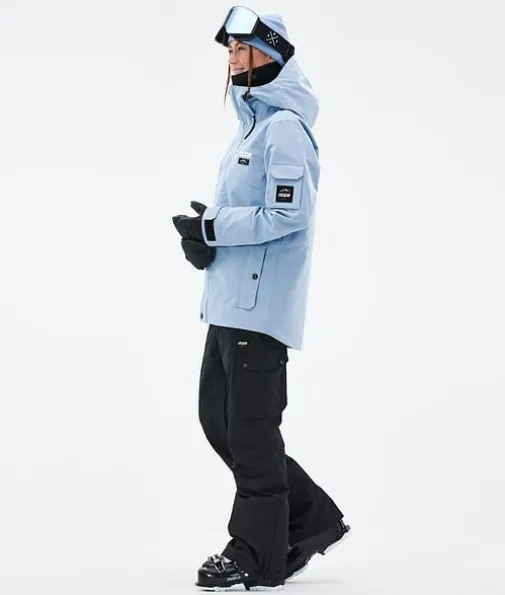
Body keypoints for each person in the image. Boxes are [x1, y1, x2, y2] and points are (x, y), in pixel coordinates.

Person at [172, 7, 351, 591]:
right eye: (229, 50)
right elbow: (249, 216)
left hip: (260, 312)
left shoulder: (285, 128)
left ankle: (254, 553)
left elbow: (288, 214)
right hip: (228, 305)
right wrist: (207, 241)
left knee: (250, 435)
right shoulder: (251, 127)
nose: (233, 58)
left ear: (272, 54)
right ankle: (308, 519)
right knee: (219, 422)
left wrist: (215, 227)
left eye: (243, 49)